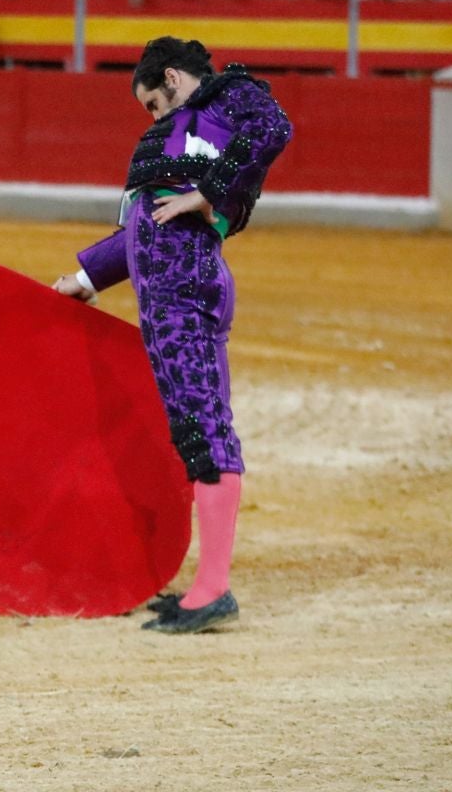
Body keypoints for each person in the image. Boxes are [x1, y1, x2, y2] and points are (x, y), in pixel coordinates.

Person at [51, 37, 293, 634]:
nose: (153, 118)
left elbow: (275, 126)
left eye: (154, 103)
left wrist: (205, 193)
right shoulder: (169, 137)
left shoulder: (224, 99)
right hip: (164, 295)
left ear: (175, 78)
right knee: (192, 425)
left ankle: (214, 590)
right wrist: (86, 278)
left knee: (204, 425)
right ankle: (206, 584)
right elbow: (141, 225)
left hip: (186, 286)